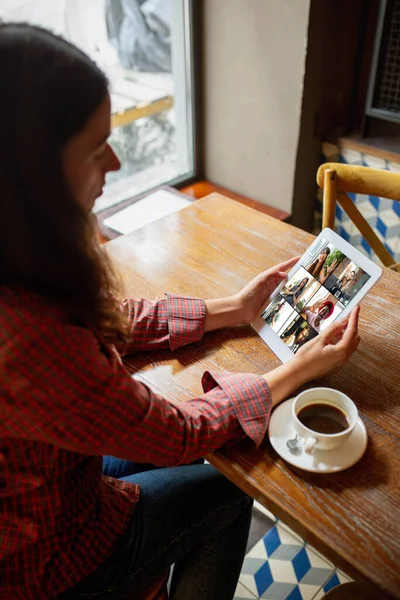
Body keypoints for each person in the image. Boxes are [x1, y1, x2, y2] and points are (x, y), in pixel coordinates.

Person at [0, 23, 361, 600]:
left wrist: (234, 308)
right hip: (48, 562)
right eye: (97, 149)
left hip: (55, 484)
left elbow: (110, 316)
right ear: (31, 177)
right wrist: (300, 369)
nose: (116, 162)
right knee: (236, 482)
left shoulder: (21, 263)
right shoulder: (29, 338)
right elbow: (179, 434)